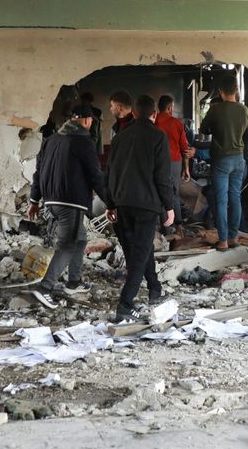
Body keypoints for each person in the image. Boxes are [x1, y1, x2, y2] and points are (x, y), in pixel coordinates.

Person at [104, 95, 175, 322]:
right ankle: (125, 305)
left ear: (133, 113)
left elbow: (110, 173)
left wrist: (110, 203)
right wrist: (169, 206)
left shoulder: (119, 138)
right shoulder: (158, 137)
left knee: (141, 251)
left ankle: (155, 289)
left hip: (123, 203)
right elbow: (162, 177)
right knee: (139, 254)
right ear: (154, 114)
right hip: (147, 205)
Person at [27, 104, 105, 298]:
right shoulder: (84, 142)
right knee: (68, 244)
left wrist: (34, 200)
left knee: (80, 239)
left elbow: (38, 172)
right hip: (71, 202)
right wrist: (110, 202)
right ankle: (45, 288)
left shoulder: (51, 140)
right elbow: (95, 175)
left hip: (51, 201)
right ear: (87, 121)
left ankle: (74, 281)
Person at [198, 75, 248, 251]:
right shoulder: (244, 110)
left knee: (221, 200)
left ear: (220, 92)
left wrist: (215, 129)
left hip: (221, 160)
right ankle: (234, 237)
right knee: (235, 198)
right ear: (236, 90)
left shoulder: (215, 110)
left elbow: (203, 129)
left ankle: (224, 240)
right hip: (239, 159)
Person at [154, 95, 193, 235]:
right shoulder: (177, 123)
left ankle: (162, 229)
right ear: (170, 107)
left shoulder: (154, 121)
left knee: (159, 193)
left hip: (157, 162)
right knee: (173, 194)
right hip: (175, 162)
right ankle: (178, 227)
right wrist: (186, 168)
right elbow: (185, 148)